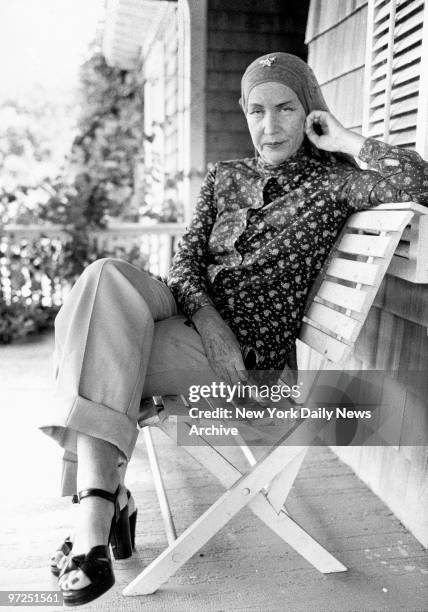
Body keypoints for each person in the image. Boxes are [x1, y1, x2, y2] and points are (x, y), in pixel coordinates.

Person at [39, 52, 428, 606]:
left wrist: (343, 137)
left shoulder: (336, 184)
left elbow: (417, 180)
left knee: (87, 348)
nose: (269, 126)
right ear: (244, 113)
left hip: (250, 357)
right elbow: (185, 266)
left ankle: (95, 519)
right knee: (102, 280)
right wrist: (207, 316)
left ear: (309, 111)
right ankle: (105, 504)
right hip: (191, 315)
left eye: (286, 109)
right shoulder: (227, 176)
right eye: (257, 111)